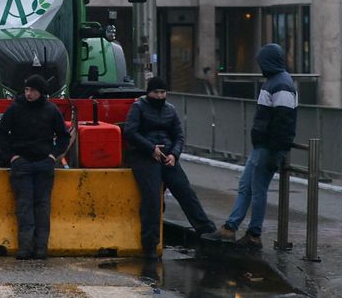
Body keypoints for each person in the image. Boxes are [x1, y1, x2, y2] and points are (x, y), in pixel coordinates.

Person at [123, 76, 215, 255]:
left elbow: (179, 136)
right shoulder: (138, 107)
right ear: (148, 92)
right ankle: (150, 244)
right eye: (156, 92)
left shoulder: (170, 110)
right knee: (152, 198)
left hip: (167, 156)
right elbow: (130, 132)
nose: (159, 96)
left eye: (162, 92)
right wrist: (150, 149)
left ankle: (206, 230)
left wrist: (174, 154)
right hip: (144, 156)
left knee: (185, 191)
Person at [221, 43, 297, 248]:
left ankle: (252, 233)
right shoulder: (277, 81)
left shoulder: (280, 84)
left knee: (256, 190)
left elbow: (283, 121)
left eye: (262, 62)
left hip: (267, 147)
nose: (260, 66)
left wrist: (274, 151)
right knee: (247, 187)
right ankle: (231, 227)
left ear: (268, 62)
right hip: (263, 146)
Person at [0, 74, 71, 259]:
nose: (28, 93)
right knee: (24, 206)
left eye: (33, 90)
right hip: (22, 164)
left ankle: (41, 248)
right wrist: (12, 156)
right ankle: (25, 247)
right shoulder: (15, 108)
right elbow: (1, 133)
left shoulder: (51, 110)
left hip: (44, 164)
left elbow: (64, 136)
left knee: (42, 206)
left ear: (41, 92)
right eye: (27, 89)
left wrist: (52, 156)